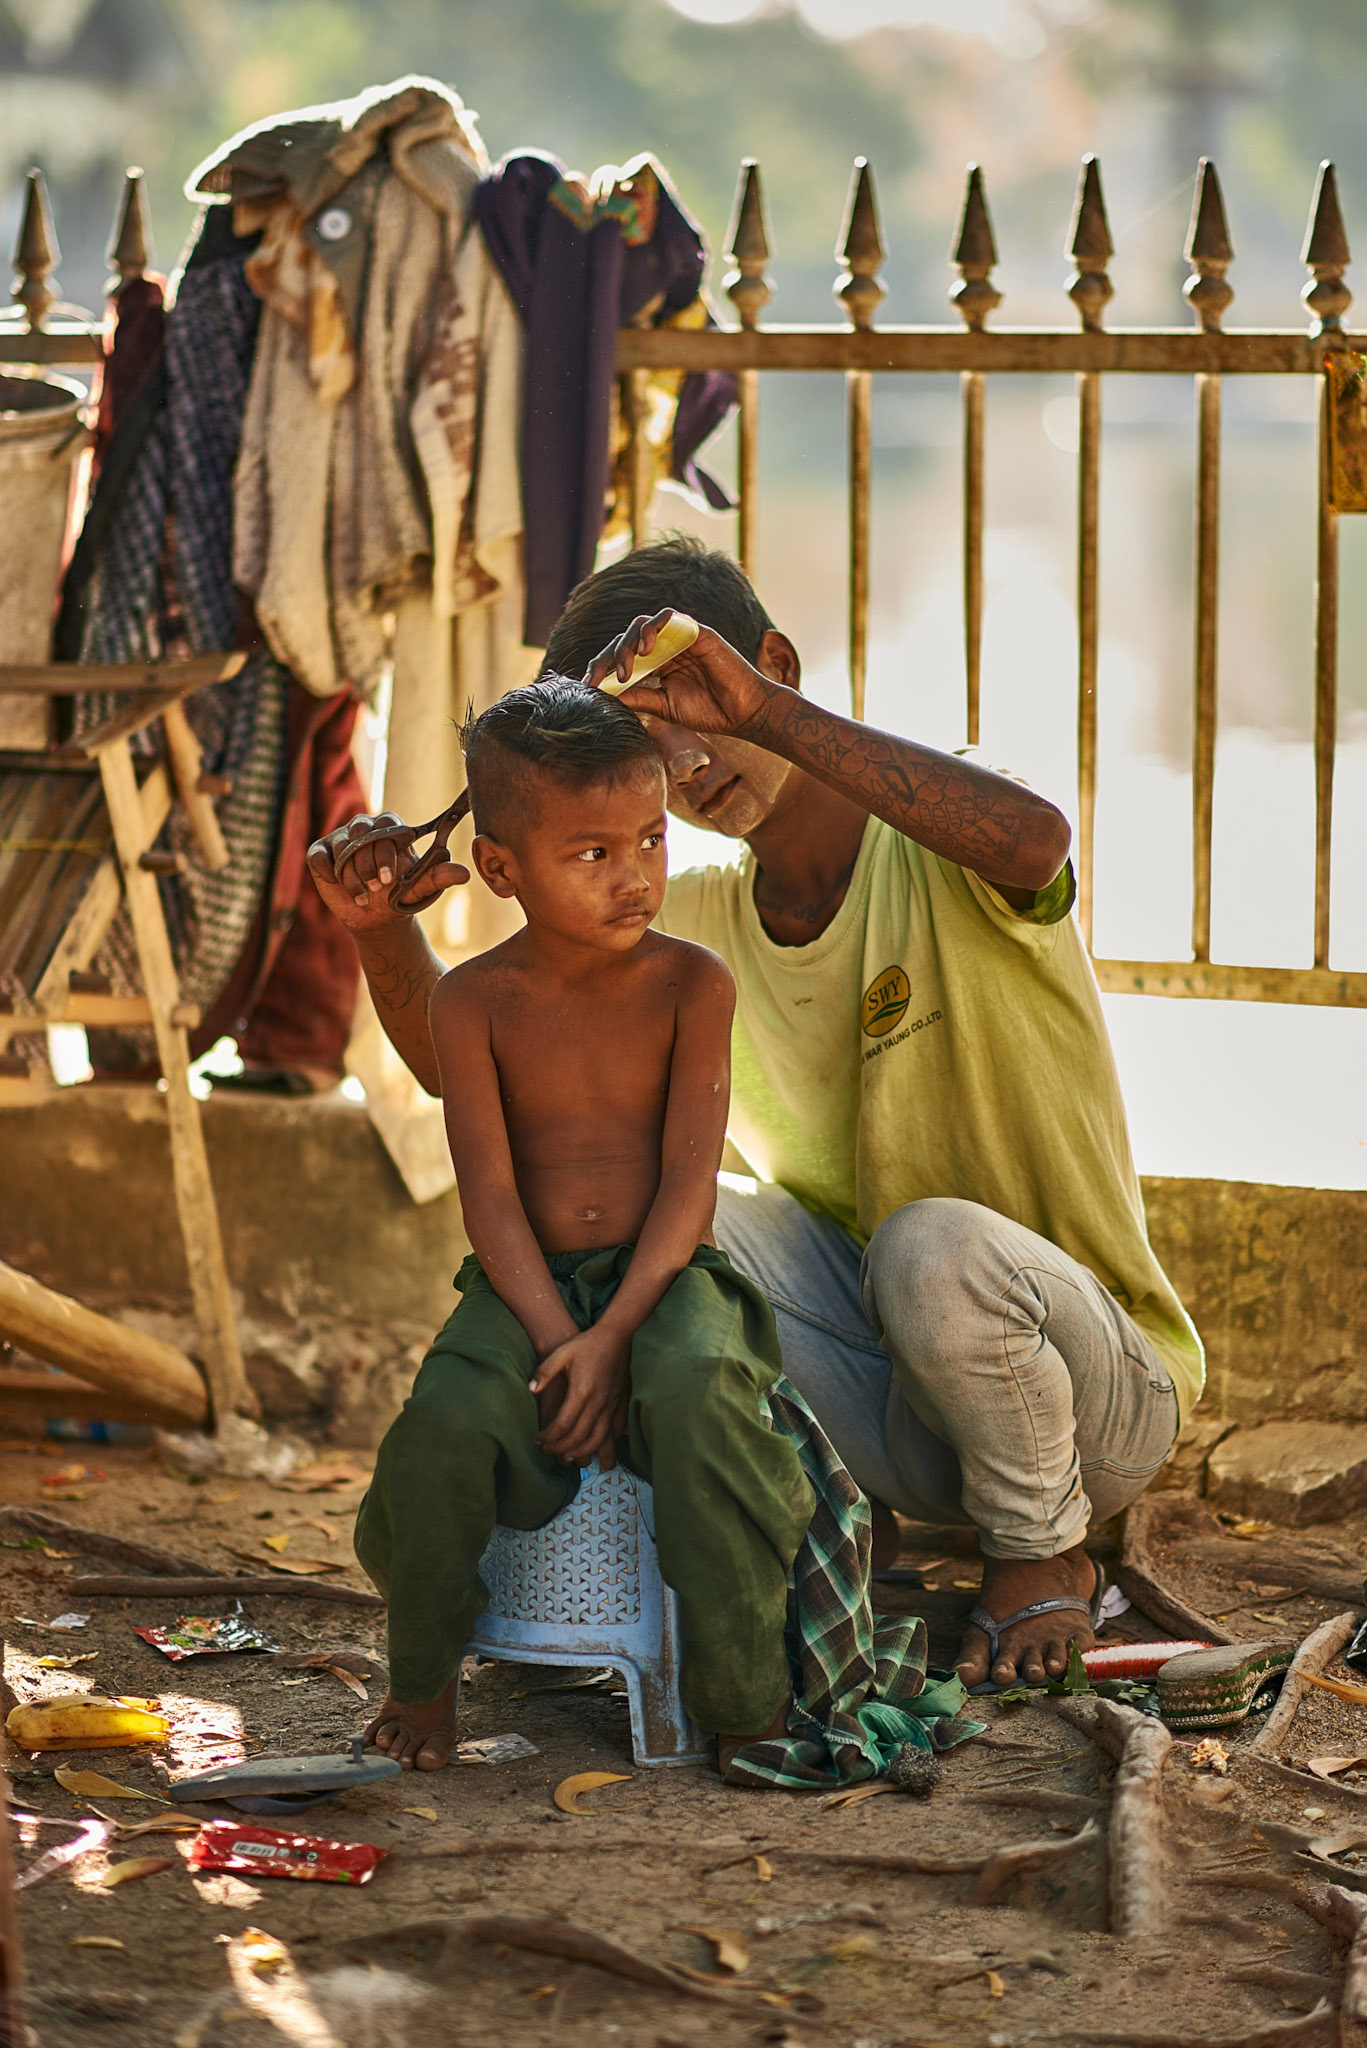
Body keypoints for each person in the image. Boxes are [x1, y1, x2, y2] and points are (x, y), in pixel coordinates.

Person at [310, 535, 1203, 1698]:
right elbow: (472, 1058)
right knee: (664, 1223)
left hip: (1093, 1398)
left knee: (930, 1242)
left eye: (701, 705)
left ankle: (1039, 1550)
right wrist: (383, 929)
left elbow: (1034, 840)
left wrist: (771, 716)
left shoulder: (934, 841)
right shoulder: (685, 925)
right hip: (896, 1396)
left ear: (767, 665)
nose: (685, 757)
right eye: (647, 737)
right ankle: (822, 1503)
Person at [353, 676, 812, 1770]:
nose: (635, 876)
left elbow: (688, 1188)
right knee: (441, 1426)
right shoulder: (469, 1003)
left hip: (669, 1279)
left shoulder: (690, 984)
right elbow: (492, 1200)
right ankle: (422, 1682)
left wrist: (613, 1338)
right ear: (503, 869)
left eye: (648, 839)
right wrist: (561, 1336)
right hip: (521, 1286)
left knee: (703, 1390)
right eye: (592, 853)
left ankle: (744, 1699)